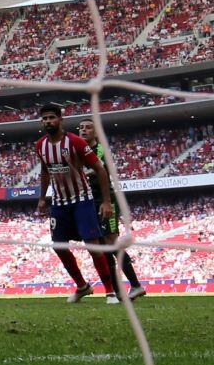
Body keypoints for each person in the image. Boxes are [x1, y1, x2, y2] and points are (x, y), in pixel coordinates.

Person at [35, 105, 118, 305]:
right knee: (59, 246)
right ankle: (82, 286)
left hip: (82, 200)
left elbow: (100, 169)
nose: (48, 121)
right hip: (59, 203)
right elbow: (45, 171)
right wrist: (42, 197)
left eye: (51, 118)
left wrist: (106, 202)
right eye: (44, 118)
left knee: (93, 247)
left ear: (60, 120)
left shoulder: (75, 142)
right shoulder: (40, 145)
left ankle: (110, 292)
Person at [77, 118, 146, 300]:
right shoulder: (77, 151)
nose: (84, 130)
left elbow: (96, 169)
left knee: (111, 244)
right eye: (81, 128)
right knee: (103, 247)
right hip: (89, 202)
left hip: (105, 201)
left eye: (88, 127)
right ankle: (117, 291)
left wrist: (77, 173)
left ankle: (135, 285)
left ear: (96, 132)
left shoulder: (99, 149)